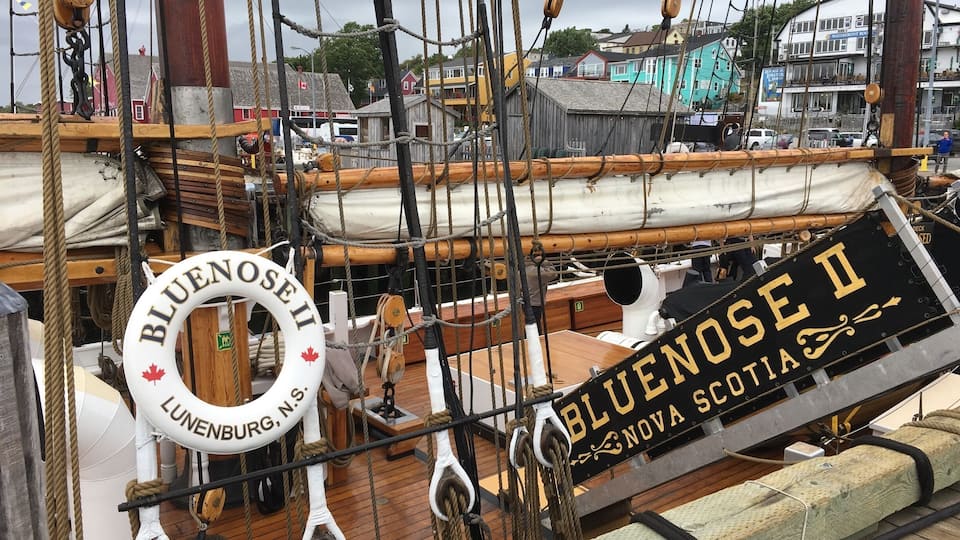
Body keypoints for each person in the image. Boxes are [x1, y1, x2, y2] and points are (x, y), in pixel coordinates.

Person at [524, 257, 559, 332]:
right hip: (535, 302)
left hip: (525, 301)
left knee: (531, 324)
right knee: (535, 325)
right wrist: (543, 261)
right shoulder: (535, 271)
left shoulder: (522, 268)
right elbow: (553, 274)